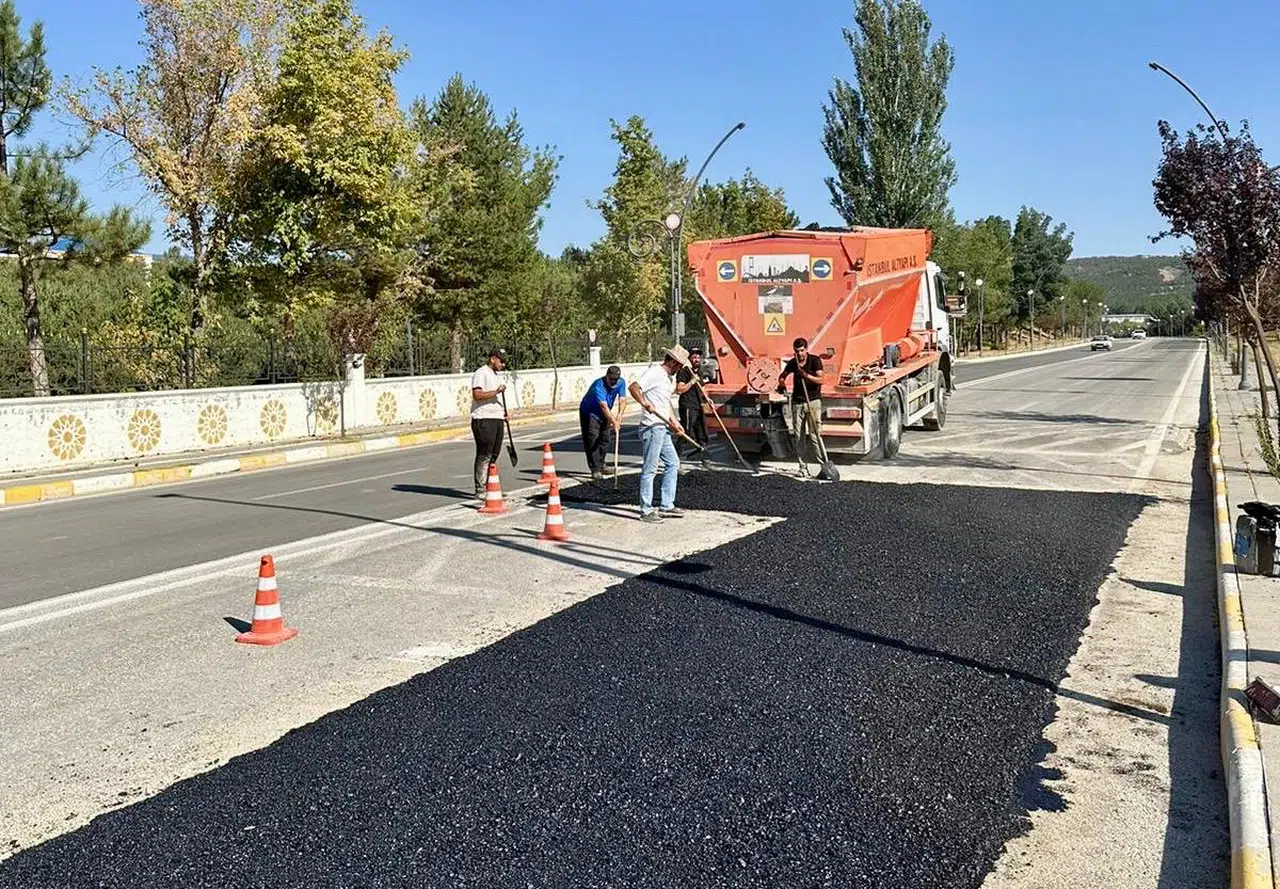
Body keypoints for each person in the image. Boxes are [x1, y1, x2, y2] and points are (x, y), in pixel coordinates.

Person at [628, 346, 688, 522]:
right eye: (679, 366)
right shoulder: (655, 373)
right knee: (650, 469)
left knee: (673, 463)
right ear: (673, 361)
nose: (679, 369)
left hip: (662, 427)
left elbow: (665, 403)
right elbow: (634, 387)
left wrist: (675, 422)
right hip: (652, 427)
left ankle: (666, 505)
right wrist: (644, 402)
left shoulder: (668, 379)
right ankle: (646, 510)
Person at [777, 337, 825, 462]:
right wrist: (781, 383)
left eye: (802, 350)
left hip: (813, 402)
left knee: (815, 435)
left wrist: (807, 376)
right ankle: (803, 466)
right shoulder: (794, 363)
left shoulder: (815, 361)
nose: (800, 354)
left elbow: (821, 380)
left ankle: (823, 463)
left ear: (806, 349)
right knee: (799, 436)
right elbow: (782, 375)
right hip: (797, 402)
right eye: (797, 351)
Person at [579, 365, 628, 481]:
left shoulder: (621, 382)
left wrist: (619, 416)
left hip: (605, 413)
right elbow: (603, 406)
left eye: (615, 379)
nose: (613, 382)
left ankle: (601, 465)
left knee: (605, 439)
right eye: (611, 379)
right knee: (593, 439)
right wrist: (614, 422)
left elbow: (622, 400)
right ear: (607, 376)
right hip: (590, 413)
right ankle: (595, 469)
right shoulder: (598, 385)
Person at [470, 348, 507, 498]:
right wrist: (496, 392)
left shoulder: (496, 375)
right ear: (493, 359)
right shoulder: (481, 373)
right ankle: (480, 489)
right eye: (501, 361)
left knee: (494, 454)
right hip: (483, 418)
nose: (503, 364)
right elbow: (477, 394)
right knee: (485, 453)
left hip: (496, 418)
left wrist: (503, 414)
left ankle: (491, 487)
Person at [675, 348, 710, 464]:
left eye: (698, 357)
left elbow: (702, 387)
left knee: (702, 431)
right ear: (689, 359)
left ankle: (702, 453)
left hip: (698, 405)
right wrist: (691, 382)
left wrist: (707, 398)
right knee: (686, 432)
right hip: (688, 406)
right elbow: (679, 390)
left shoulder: (699, 371)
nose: (697, 359)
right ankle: (676, 457)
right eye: (694, 357)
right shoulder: (684, 371)